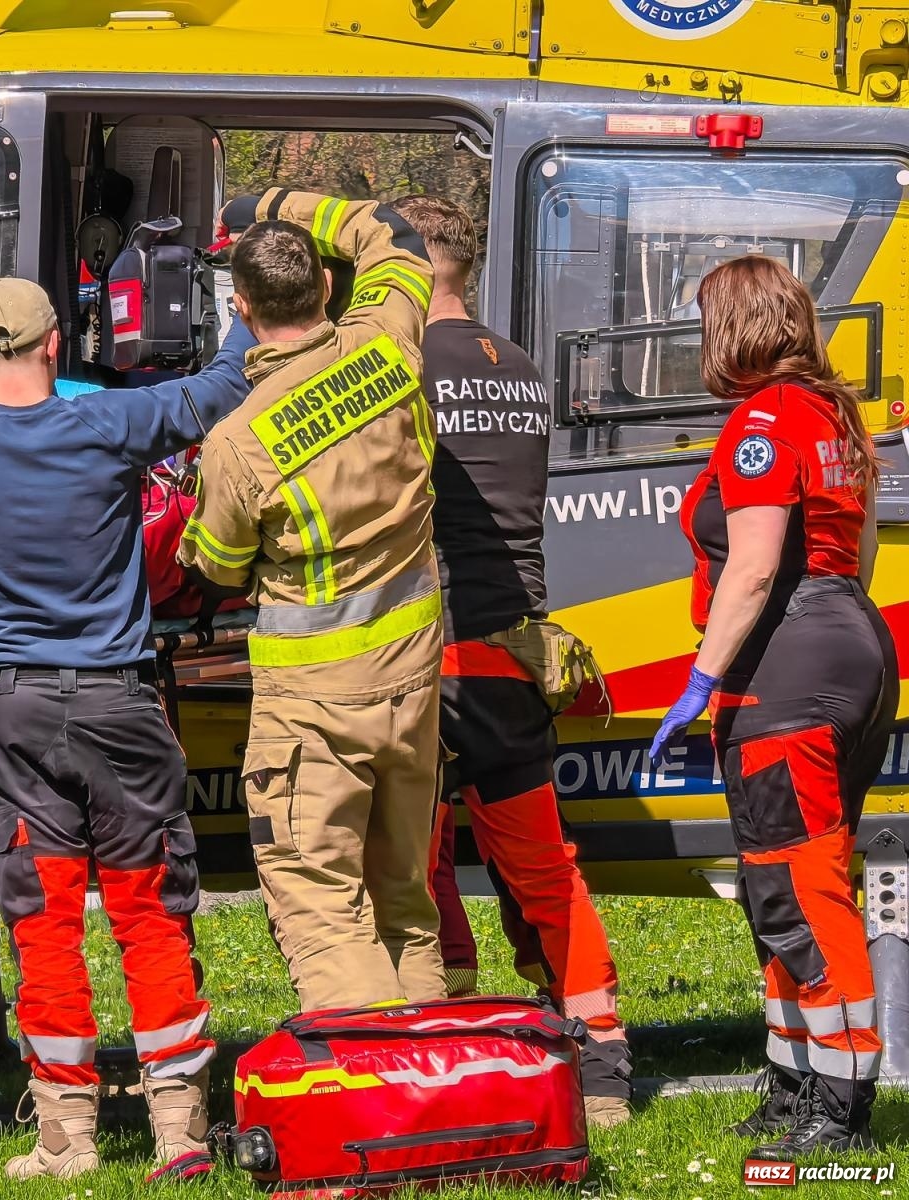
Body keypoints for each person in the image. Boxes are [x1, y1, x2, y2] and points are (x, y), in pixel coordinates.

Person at [0, 277, 257, 1182]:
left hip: (13, 713)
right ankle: (180, 1129)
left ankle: (66, 1138)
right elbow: (222, 389)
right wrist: (241, 314)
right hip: (120, 706)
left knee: (41, 919)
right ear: (54, 347)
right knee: (149, 908)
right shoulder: (111, 424)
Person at [389, 195, 633, 1128]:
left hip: (429, 648)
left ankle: (453, 1037)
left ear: (405, 268)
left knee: (413, 862)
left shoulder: (405, 363)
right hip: (514, 647)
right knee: (544, 866)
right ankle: (602, 1055)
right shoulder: (519, 365)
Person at [649, 256, 896, 1156]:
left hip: (786, 669)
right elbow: (856, 548)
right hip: (851, 644)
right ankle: (792, 1082)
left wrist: (705, 681)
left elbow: (753, 566)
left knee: (797, 883)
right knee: (782, 881)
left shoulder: (762, 420)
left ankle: (839, 1102)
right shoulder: (833, 411)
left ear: (735, 328)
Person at [179, 189, 445, 1012]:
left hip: (314, 706)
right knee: (405, 901)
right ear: (329, 290)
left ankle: (382, 1114)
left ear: (243, 305)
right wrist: (273, 199)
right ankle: (441, 1088)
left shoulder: (238, 442)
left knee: (324, 906)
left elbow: (218, 566)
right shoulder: (389, 343)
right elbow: (391, 235)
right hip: (414, 682)